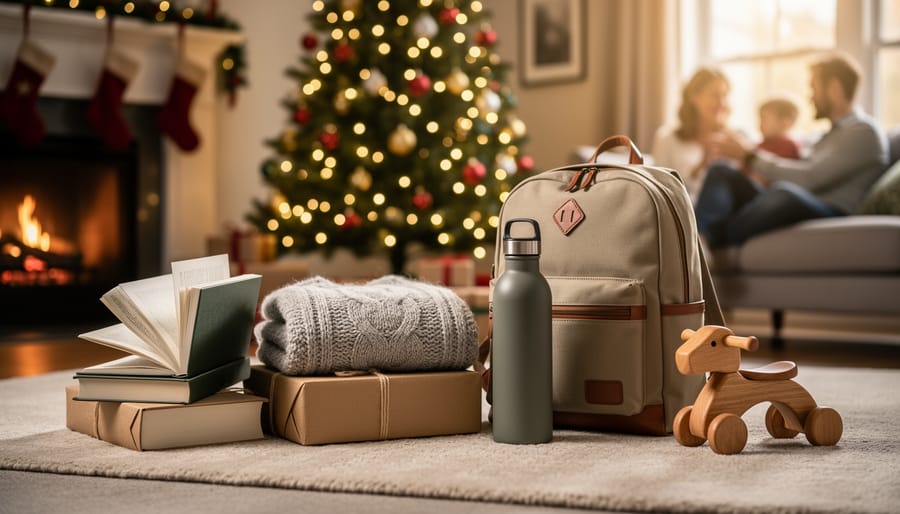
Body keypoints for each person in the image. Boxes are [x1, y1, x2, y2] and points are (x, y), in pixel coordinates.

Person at [695, 53, 889, 248]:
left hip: (832, 210)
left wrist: (750, 156)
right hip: (801, 199)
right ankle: (697, 238)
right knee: (722, 171)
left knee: (784, 194)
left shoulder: (863, 132)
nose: (810, 96)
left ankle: (710, 240)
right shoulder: (827, 134)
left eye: (814, 88)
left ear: (834, 89)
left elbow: (809, 178)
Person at [652, 67, 731, 201]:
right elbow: (662, 190)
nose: (721, 103)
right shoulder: (667, 139)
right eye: (715, 95)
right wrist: (702, 165)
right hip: (687, 207)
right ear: (693, 97)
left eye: (725, 96)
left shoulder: (735, 139)